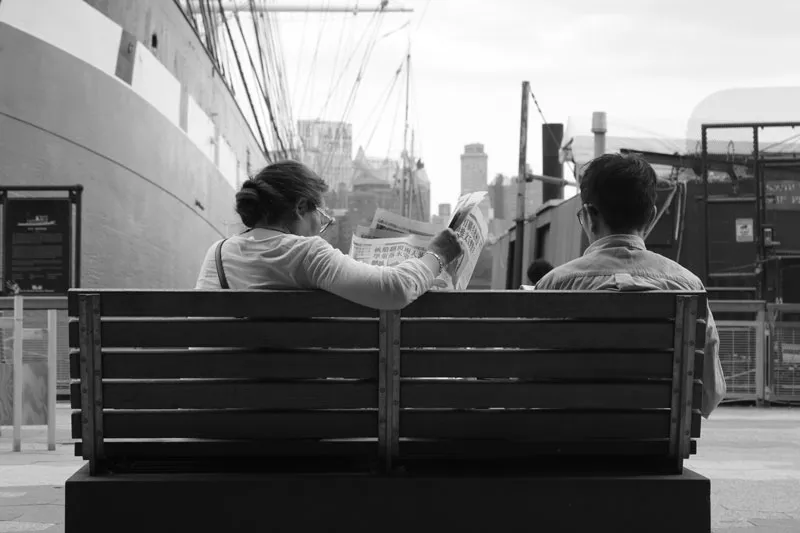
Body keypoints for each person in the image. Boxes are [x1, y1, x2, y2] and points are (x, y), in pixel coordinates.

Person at [534, 153, 726, 419]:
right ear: (651, 216)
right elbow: (708, 396)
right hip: (656, 455)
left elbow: (531, 388)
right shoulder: (688, 287)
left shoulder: (554, 285)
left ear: (589, 216)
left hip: (570, 452)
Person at [195, 160, 462, 310]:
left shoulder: (217, 253)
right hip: (290, 405)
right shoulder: (305, 253)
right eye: (321, 219)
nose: (319, 230)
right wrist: (437, 254)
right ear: (300, 208)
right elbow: (394, 290)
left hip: (218, 402)